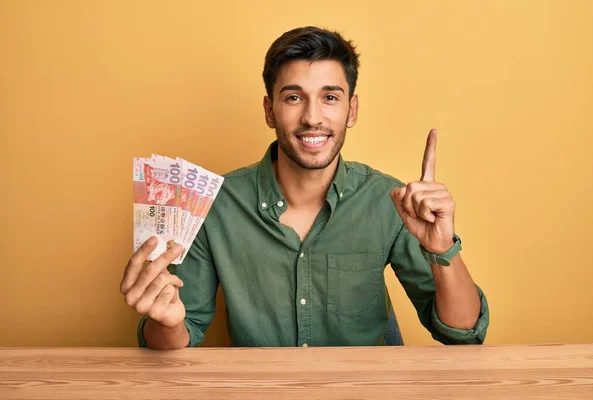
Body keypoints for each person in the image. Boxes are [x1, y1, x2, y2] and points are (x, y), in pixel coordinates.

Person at [120, 26, 489, 350]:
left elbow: (464, 334)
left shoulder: (388, 200)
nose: (312, 117)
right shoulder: (217, 204)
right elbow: (179, 338)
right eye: (294, 97)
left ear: (352, 110)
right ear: (269, 110)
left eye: (330, 97)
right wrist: (165, 322)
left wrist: (443, 249)